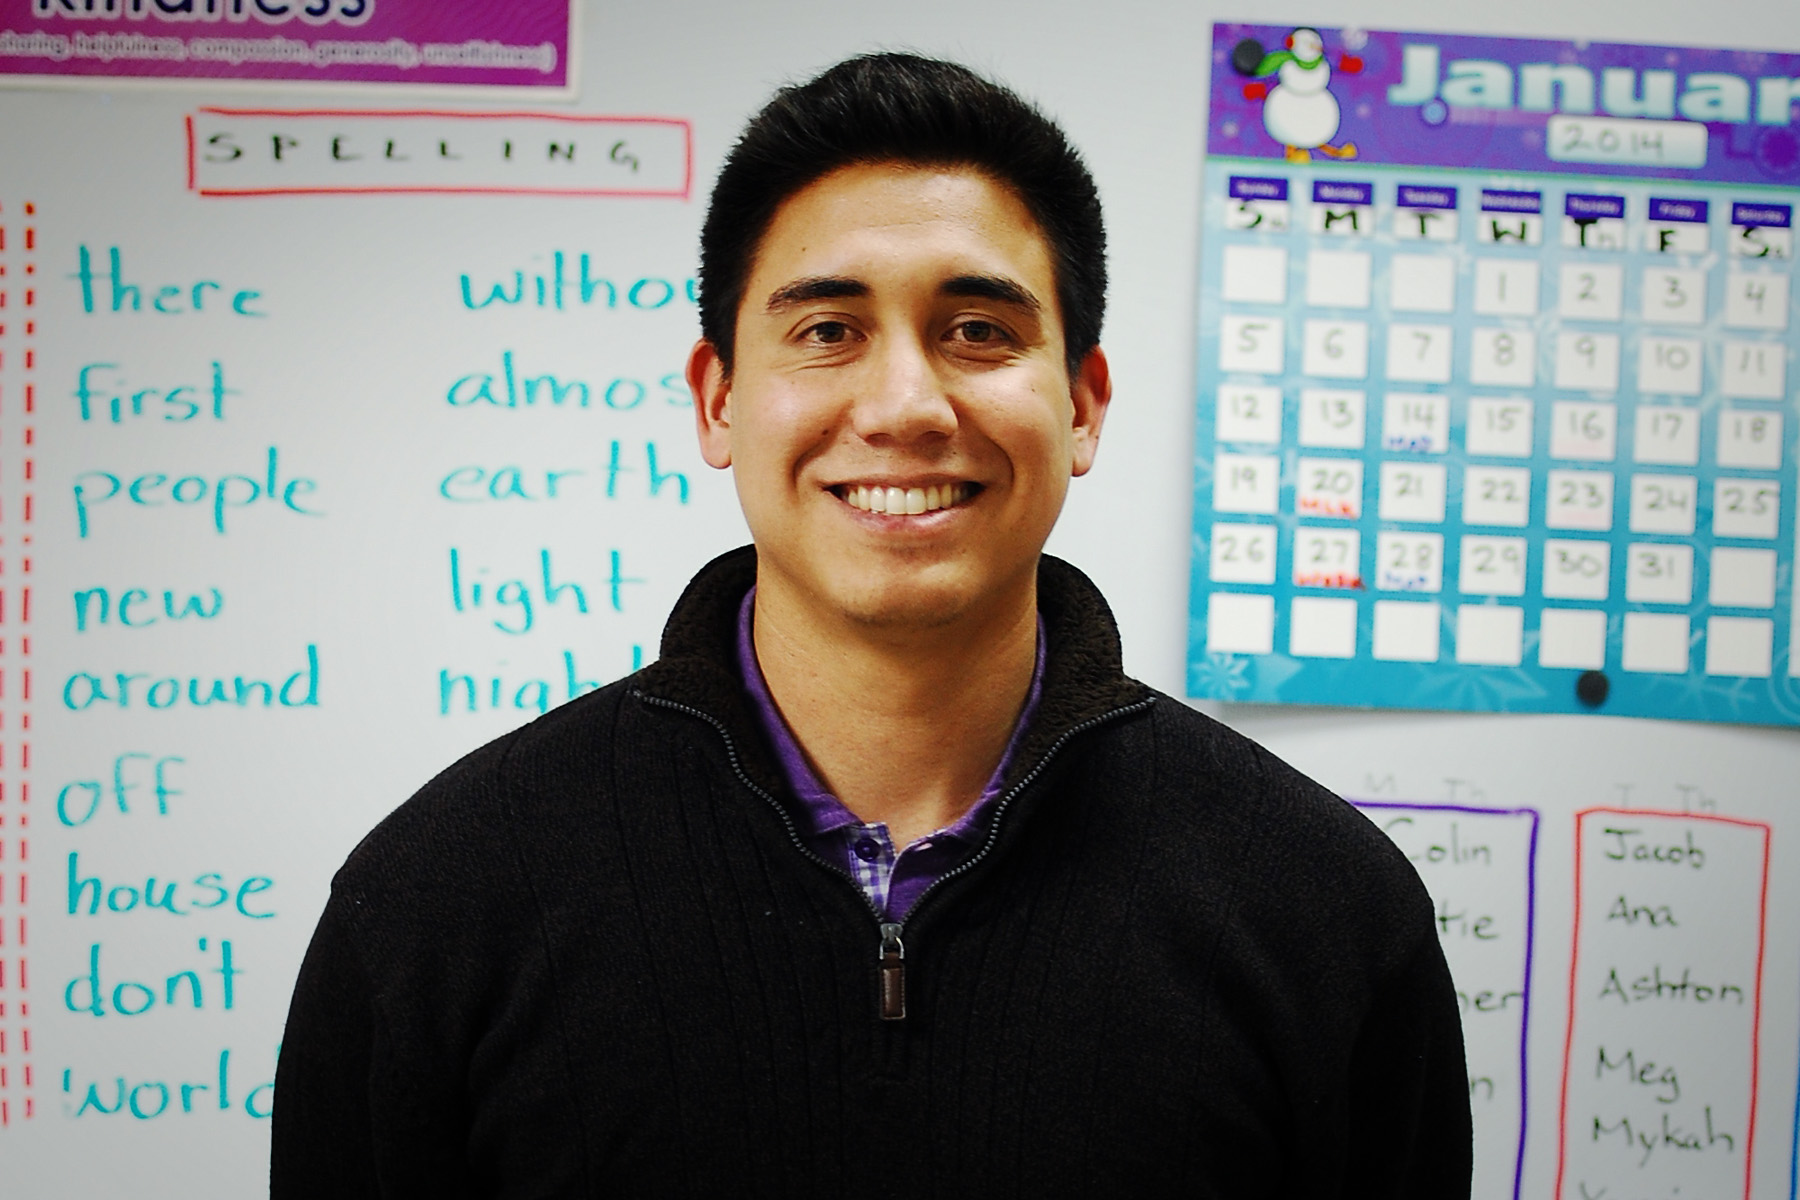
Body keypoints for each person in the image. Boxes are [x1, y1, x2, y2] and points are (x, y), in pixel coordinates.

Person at [271, 52, 1471, 1197]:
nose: (905, 405)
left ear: (1084, 405)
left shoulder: (1323, 911)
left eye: (981, 331)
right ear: (720, 399)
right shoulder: (437, 903)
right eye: (828, 330)